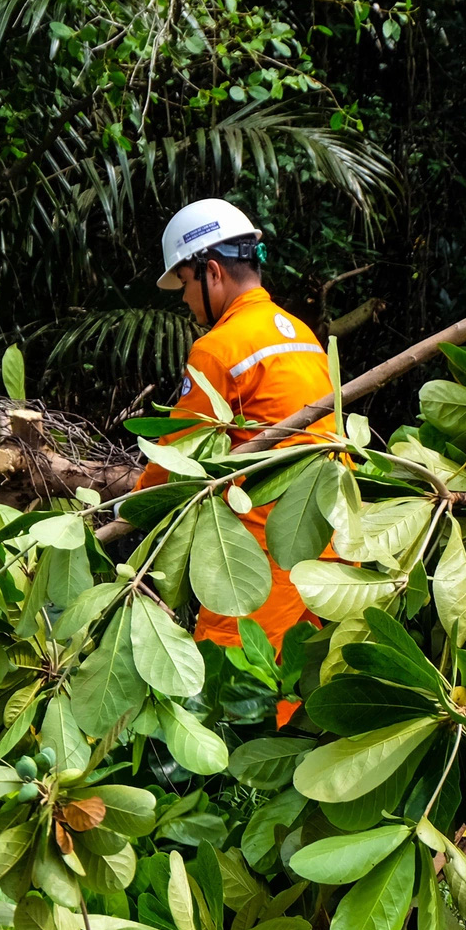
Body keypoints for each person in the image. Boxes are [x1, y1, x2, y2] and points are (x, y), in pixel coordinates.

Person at [134, 199, 336, 683]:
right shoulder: (303, 335)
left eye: (184, 283)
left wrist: (130, 509)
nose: (184, 299)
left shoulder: (219, 348)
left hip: (260, 563)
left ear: (213, 272)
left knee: (228, 702)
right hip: (329, 557)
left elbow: (176, 452)